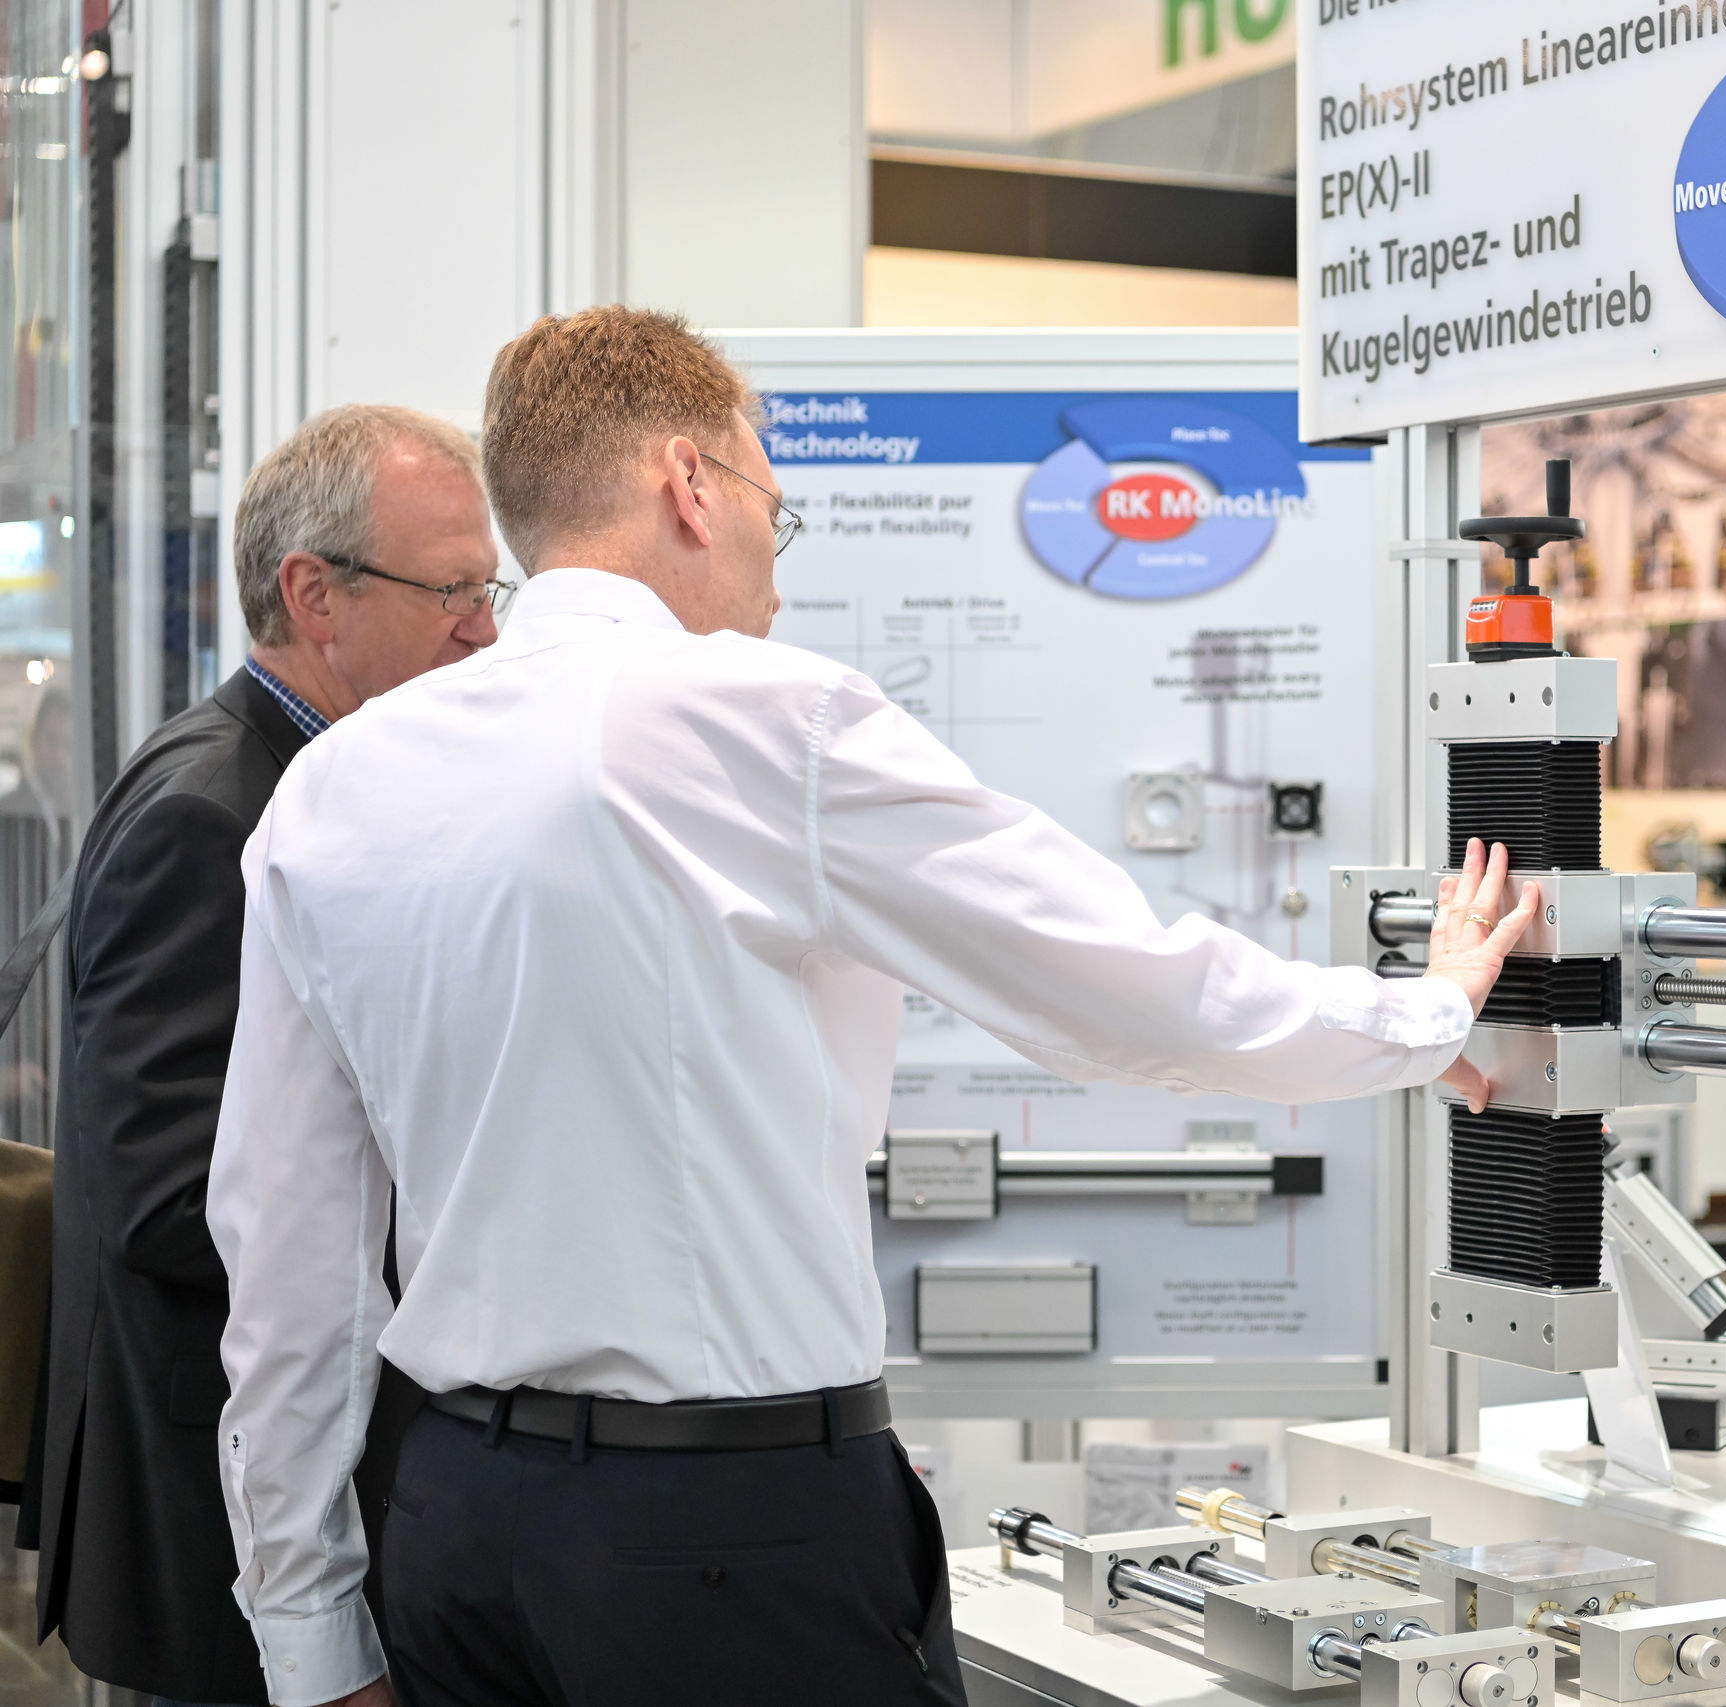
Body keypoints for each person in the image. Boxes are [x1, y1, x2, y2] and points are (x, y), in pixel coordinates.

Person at [205, 306, 1540, 1707]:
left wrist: (310, 1630)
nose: (776, 568)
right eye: (774, 507)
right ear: (688, 483)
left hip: (455, 1534)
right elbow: (1121, 981)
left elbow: (286, 1250)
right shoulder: (760, 718)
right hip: (718, 1544)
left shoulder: (334, 788)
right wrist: (1424, 1014)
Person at [19, 405, 505, 1707]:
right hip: (219, 1531)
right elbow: (168, 1194)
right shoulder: (219, 815)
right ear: (314, 595)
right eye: (452, 590)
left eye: (490, 588)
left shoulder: (300, 780)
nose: (484, 630)